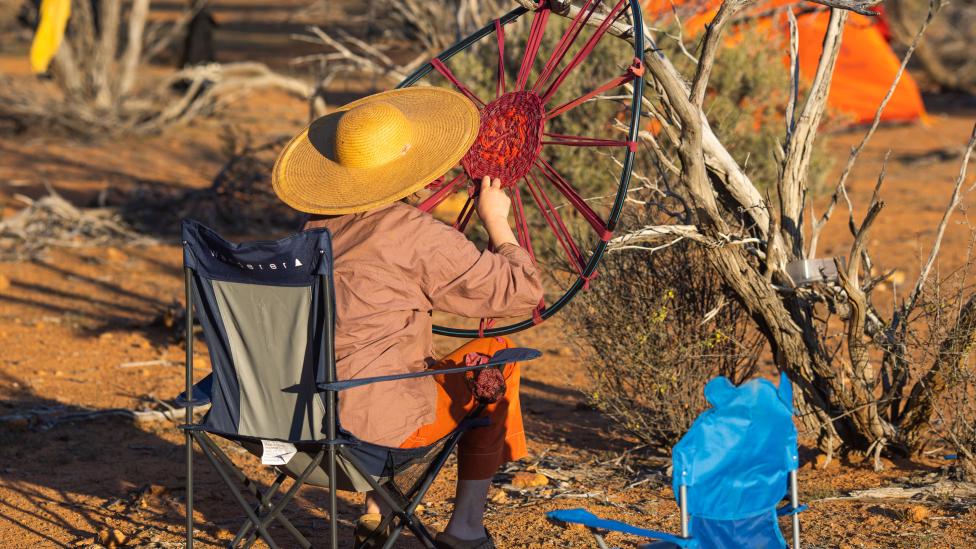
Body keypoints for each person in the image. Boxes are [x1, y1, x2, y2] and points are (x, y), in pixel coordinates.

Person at [271, 87, 543, 549]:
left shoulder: (315, 228)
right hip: (368, 439)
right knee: (498, 358)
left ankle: (378, 513)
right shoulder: (412, 234)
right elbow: (521, 292)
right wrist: (498, 222)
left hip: (284, 430)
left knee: (386, 353)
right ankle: (466, 531)